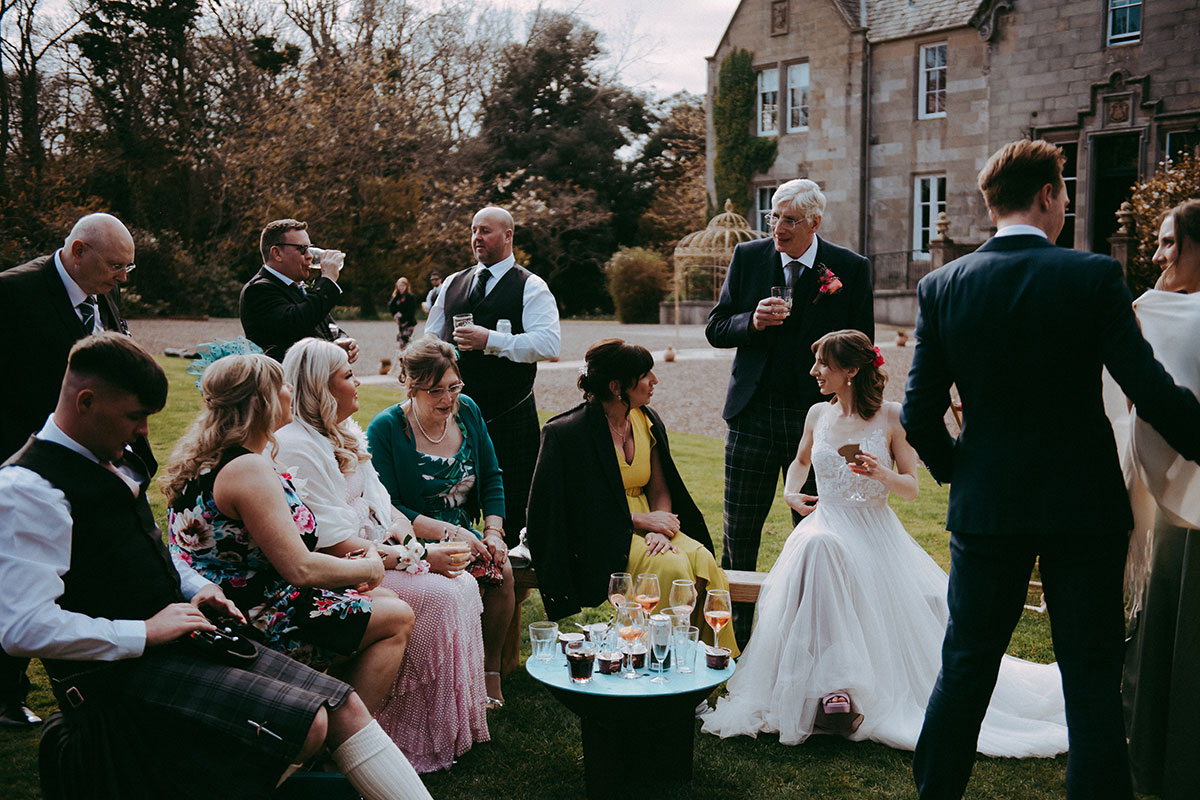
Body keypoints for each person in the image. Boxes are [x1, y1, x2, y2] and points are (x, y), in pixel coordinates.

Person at [0, 333, 432, 800]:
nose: (144, 431)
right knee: (307, 725)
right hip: (116, 671)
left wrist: (193, 586)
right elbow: (20, 627)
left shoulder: (108, 458)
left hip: (185, 627)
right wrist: (144, 632)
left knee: (343, 705)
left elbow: (145, 550)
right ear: (86, 402)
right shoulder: (27, 489)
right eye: (135, 416)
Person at [900, 139, 1200, 800]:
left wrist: (966, 471)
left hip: (988, 509)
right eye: (1064, 190)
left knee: (966, 666)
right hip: (1082, 509)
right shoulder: (1092, 277)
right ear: (1048, 196)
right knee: (1090, 679)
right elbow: (1149, 391)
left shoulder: (941, 287)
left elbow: (918, 416)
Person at [702, 329, 1067, 756]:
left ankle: (837, 692)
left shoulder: (892, 417)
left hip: (874, 531)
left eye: (823, 363)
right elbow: (801, 460)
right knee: (818, 548)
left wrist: (882, 475)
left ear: (852, 370)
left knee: (823, 552)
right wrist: (789, 493)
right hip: (826, 523)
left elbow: (912, 487)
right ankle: (830, 692)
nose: (814, 371)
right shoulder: (818, 414)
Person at [277, 337, 489, 772]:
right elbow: (335, 543)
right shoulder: (297, 444)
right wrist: (419, 559)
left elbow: (384, 505)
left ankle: (447, 730)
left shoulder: (346, 432)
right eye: (348, 376)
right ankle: (398, 734)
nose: (358, 384)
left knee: (464, 583)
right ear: (321, 387)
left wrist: (414, 544)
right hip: (346, 568)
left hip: (381, 551)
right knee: (441, 596)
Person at [162, 352, 413, 715]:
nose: (290, 390)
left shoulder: (217, 455)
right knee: (396, 617)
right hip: (250, 616)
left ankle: (322, 711)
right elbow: (301, 569)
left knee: (385, 598)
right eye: (281, 385)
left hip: (249, 594)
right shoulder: (247, 468)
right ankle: (343, 736)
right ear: (259, 401)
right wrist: (370, 568)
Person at [706, 178, 874, 648]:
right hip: (752, 414)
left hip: (819, 421)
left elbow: (864, 349)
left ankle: (811, 645)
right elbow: (716, 328)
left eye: (790, 219)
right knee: (740, 535)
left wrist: (855, 417)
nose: (778, 227)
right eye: (774, 217)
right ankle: (730, 645)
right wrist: (751, 321)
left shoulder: (850, 268)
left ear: (815, 222)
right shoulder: (748, 258)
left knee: (821, 538)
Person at [0, 212, 138, 730]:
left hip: (90, 455)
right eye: (115, 265)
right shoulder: (13, 294)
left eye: (128, 267)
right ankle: (6, 694)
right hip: (27, 457)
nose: (123, 277)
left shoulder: (101, 291)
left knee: (85, 567)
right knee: (20, 573)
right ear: (78, 251)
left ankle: (86, 682)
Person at [525, 338, 739, 654]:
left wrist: (660, 525)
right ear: (616, 387)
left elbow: (660, 488)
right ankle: (655, 663)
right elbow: (569, 509)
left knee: (704, 560)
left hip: (650, 522)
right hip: (601, 534)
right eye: (645, 375)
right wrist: (637, 521)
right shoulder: (566, 433)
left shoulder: (646, 419)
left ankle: (706, 666)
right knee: (670, 567)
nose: (655, 381)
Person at [367, 335, 516, 707]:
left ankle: (489, 670)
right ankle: (447, 680)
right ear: (411, 387)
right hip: (416, 538)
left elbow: (493, 476)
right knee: (461, 578)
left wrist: (494, 532)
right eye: (435, 391)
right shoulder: (386, 428)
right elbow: (389, 505)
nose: (448, 400)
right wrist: (451, 534)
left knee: (504, 572)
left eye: (454, 387)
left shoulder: (468, 412)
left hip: (470, 531)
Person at [1121, 199, 1200, 799]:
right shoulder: (1150, 314)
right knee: (1173, 627)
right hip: (1177, 501)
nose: (1157, 255)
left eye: (1171, 243)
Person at [427, 206, 560, 544]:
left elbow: (548, 343)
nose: (476, 238)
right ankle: (468, 586)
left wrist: (492, 341)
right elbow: (430, 337)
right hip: (455, 415)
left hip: (510, 413)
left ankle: (511, 588)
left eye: (485, 230)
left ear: (508, 235)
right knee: (453, 502)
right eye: (473, 230)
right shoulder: (454, 283)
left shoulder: (531, 286)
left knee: (513, 508)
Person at [240, 218, 360, 364]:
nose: (309, 256)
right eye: (302, 249)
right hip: (285, 383)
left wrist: (342, 340)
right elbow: (297, 322)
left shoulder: (297, 287)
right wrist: (327, 280)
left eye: (310, 248)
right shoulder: (258, 289)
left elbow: (325, 326)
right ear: (277, 253)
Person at [388, 277, 419, 348]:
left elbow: (412, 311)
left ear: (406, 286)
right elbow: (391, 307)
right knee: (402, 340)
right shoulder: (396, 297)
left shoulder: (411, 297)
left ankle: (405, 355)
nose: (401, 287)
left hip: (409, 322)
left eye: (403, 285)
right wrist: (396, 317)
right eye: (399, 285)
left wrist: (404, 321)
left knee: (403, 340)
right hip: (400, 323)